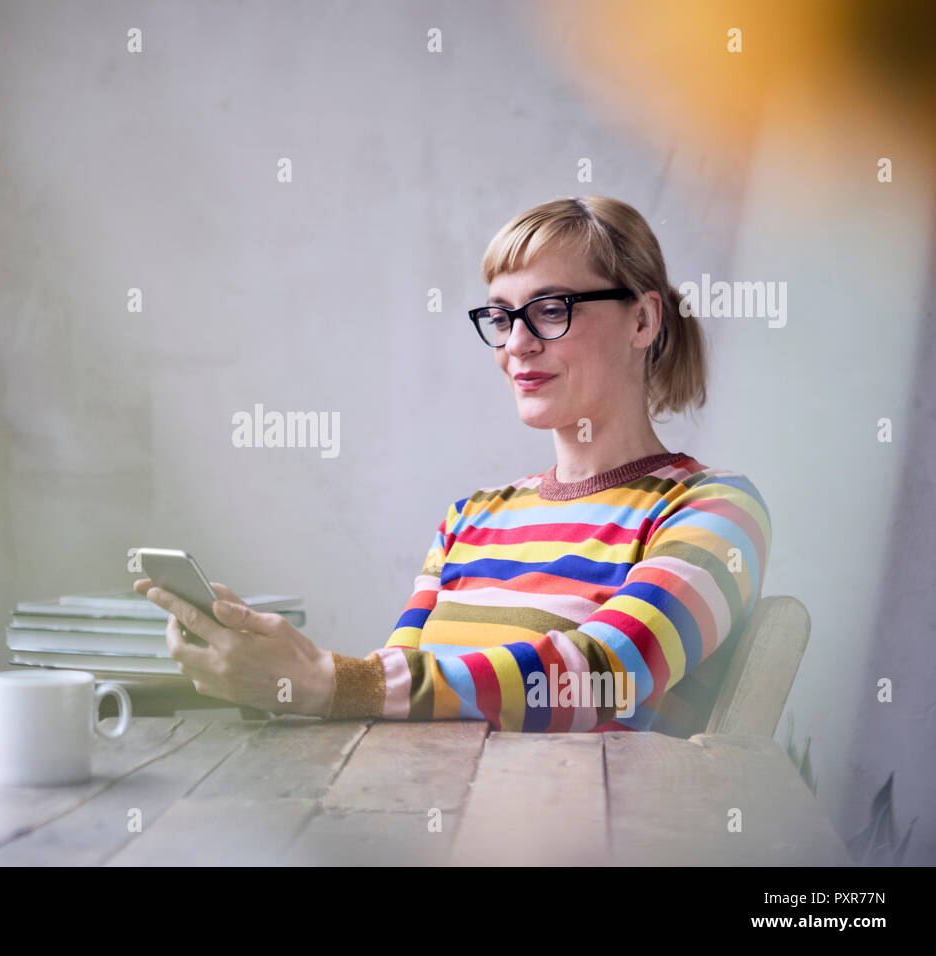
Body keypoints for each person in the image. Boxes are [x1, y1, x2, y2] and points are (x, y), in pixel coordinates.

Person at [135, 195, 771, 736]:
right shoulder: (472, 518)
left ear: (643, 319)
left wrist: (324, 681)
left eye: (551, 310)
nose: (516, 343)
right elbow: (395, 693)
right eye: (501, 316)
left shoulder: (714, 510)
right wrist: (272, 668)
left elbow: (603, 676)